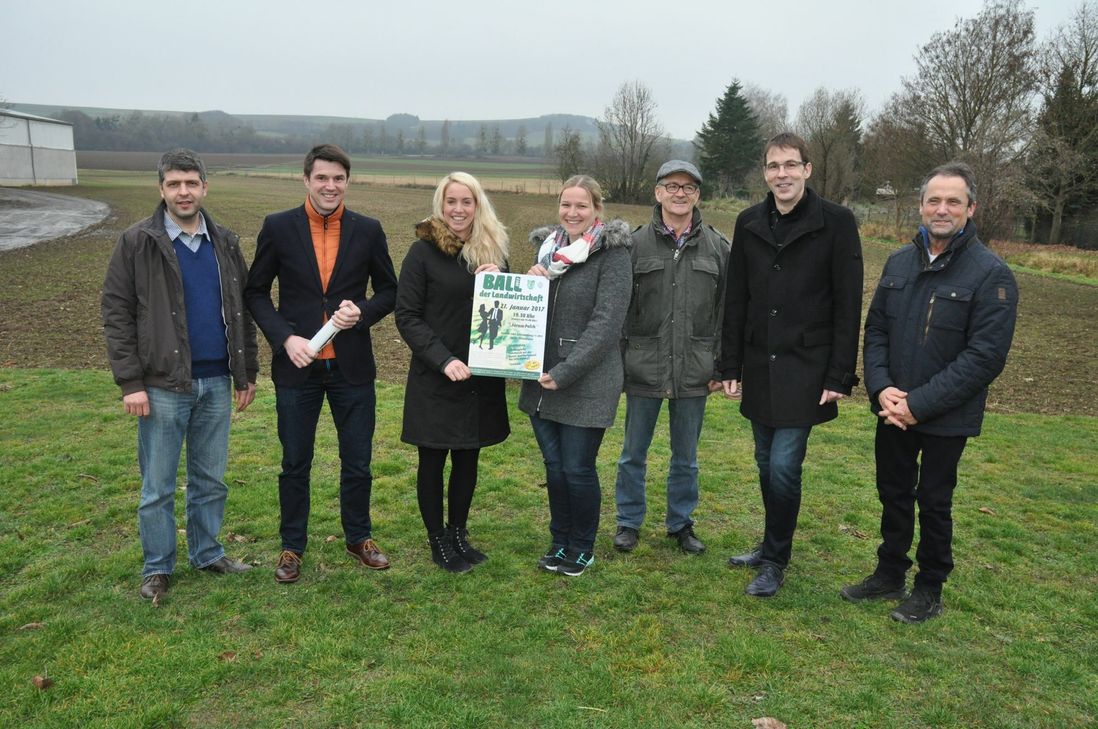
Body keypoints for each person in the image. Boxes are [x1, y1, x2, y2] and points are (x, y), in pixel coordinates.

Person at [842, 162, 1018, 623]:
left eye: (953, 201)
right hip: (892, 408)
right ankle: (889, 572)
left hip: (944, 416)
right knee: (893, 491)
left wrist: (918, 405)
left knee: (934, 502)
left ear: (970, 208)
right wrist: (881, 390)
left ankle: (929, 586)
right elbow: (876, 330)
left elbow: (984, 359)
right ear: (920, 206)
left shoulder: (991, 275)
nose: (942, 209)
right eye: (934, 201)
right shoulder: (900, 262)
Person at [102, 148, 258, 600]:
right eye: (174, 184)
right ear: (161, 189)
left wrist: (245, 373)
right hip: (161, 384)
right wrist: (130, 382)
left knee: (211, 478)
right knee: (158, 485)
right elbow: (117, 312)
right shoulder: (137, 242)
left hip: (216, 382)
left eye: (191, 183)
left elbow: (242, 310)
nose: (183, 191)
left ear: (205, 187)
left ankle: (208, 553)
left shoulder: (225, 243)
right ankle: (157, 567)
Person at [244, 144, 398, 584]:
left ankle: (358, 537)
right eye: (322, 178)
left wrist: (363, 313)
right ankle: (292, 546)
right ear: (306, 179)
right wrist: (284, 337)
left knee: (358, 460)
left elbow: (390, 290)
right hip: (298, 368)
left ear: (348, 182)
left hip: (351, 368)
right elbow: (255, 291)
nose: (330, 186)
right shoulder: (278, 227)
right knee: (295, 462)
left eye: (339, 179)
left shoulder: (368, 230)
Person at [720, 133, 863, 597]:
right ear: (764, 172)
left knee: (784, 465)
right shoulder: (748, 222)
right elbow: (736, 298)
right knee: (765, 461)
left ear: (807, 169)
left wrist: (840, 373)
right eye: (772, 166)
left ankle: (776, 561)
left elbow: (847, 302)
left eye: (789, 165)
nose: (781, 174)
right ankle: (768, 544)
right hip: (761, 364)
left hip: (807, 366)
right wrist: (730, 364)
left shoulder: (837, 223)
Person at [394, 172, 511, 573]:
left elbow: (506, 313)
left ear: (478, 206)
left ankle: (459, 533)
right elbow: (407, 316)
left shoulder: (492, 252)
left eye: (467, 202)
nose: (458, 210)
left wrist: (498, 284)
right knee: (433, 459)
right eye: (451, 202)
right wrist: (443, 360)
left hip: (480, 377)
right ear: (440, 206)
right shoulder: (422, 253)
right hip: (436, 375)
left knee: (467, 457)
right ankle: (437, 541)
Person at [613, 160, 729, 556]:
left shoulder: (718, 247)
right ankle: (628, 522)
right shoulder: (632, 244)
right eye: (672, 186)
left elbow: (728, 310)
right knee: (633, 453)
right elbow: (618, 309)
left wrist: (723, 364)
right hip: (643, 365)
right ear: (657, 192)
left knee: (687, 457)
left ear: (698, 195)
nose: (680, 194)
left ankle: (681, 524)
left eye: (689, 188)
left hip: (695, 369)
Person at [520, 175, 632, 577]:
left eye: (581, 206)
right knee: (554, 466)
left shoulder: (612, 254)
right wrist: (523, 283)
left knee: (577, 467)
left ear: (596, 210)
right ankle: (559, 539)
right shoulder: (547, 251)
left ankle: (582, 546)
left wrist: (564, 372)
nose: (572, 213)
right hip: (541, 379)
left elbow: (606, 325)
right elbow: (526, 313)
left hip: (586, 379)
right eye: (566, 205)